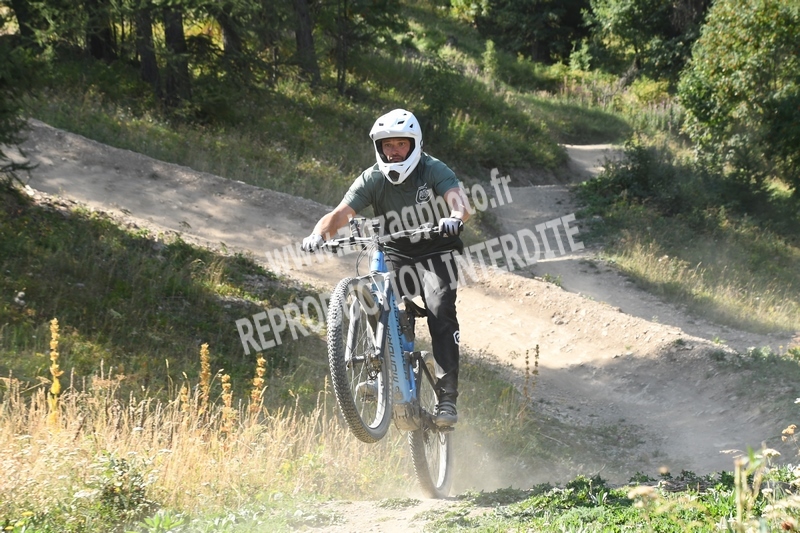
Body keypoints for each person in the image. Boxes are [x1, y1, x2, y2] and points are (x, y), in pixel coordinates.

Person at [301, 108, 470, 427]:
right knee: (376, 301)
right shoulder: (373, 178)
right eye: (387, 145)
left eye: (401, 144)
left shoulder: (432, 169)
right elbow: (340, 214)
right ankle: (379, 376)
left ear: (414, 144)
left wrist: (455, 218)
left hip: (436, 251)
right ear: (379, 147)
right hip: (395, 252)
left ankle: (447, 398)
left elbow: (457, 199)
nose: (394, 151)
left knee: (440, 309)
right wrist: (318, 235)